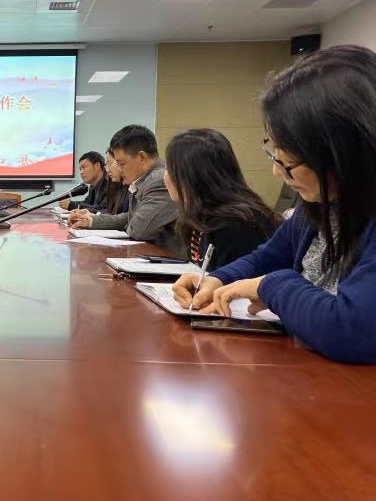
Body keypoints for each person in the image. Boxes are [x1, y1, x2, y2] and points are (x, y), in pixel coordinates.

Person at [172, 45, 376, 364]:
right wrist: (218, 278)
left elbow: (353, 331)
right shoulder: (320, 203)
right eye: (275, 152)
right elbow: (268, 256)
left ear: (343, 151)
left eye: (289, 160)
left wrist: (271, 286)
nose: (277, 172)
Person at [164, 128, 279, 270]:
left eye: (169, 169)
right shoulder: (201, 215)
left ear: (194, 177)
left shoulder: (237, 226)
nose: (165, 177)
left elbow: (234, 281)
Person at [69, 125, 182, 255]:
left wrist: (129, 222)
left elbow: (138, 230)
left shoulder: (158, 181)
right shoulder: (145, 180)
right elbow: (131, 217)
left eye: (121, 163)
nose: (119, 169)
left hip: (166, 261)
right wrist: (91, 221)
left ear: (141, 157)